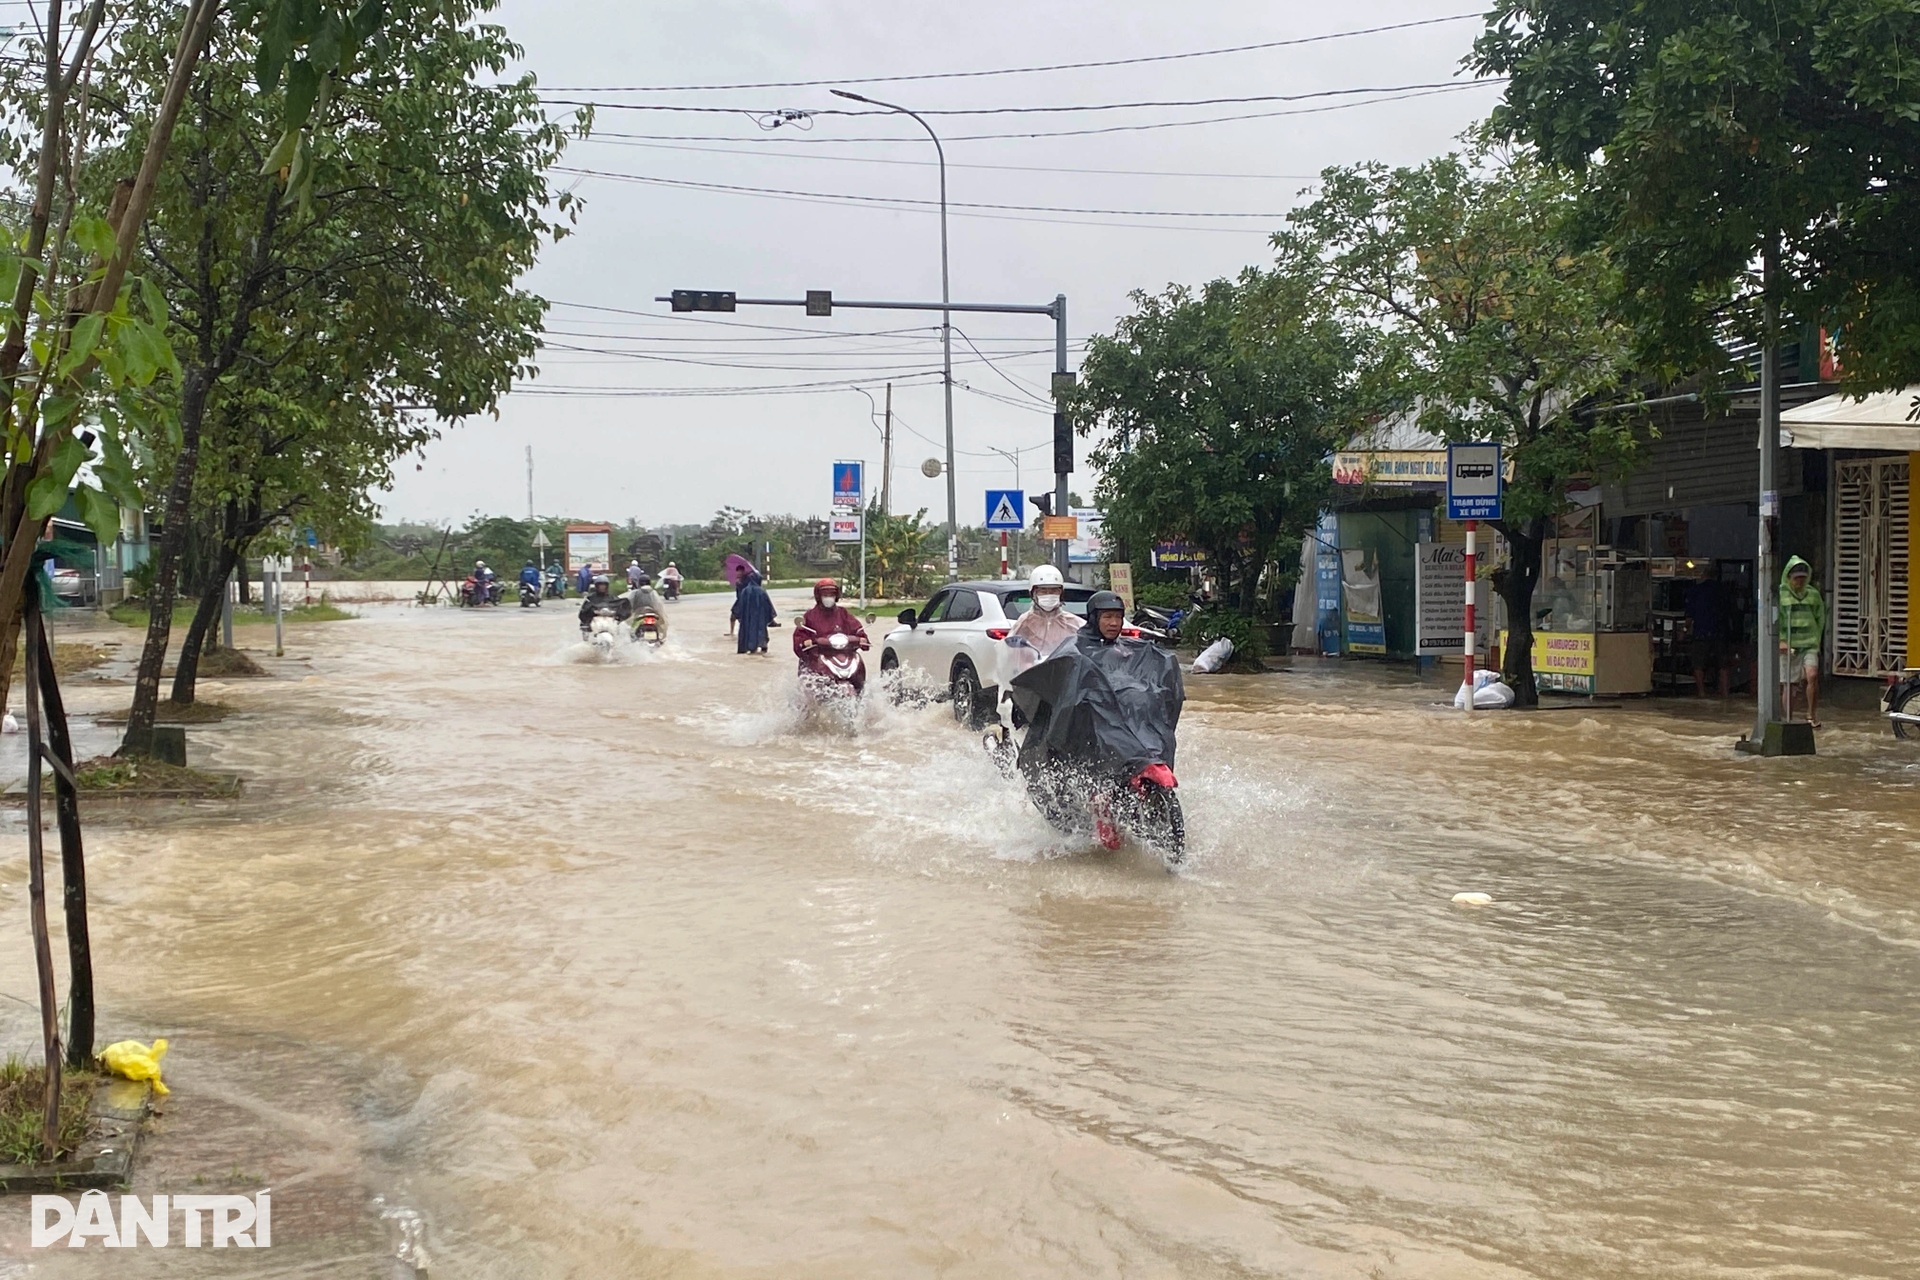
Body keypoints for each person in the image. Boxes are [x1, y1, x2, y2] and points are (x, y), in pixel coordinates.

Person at [793, 577, 870, 691]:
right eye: (825, 594)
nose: (828, 597)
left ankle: (860, 694)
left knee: (859, 674)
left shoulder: (843, 613)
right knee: (810, 683)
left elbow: (857, 629)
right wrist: (806, 643)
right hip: (817, 657)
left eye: (831, 594)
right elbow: (799, 638)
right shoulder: (810, 616)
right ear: (819, 596)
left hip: (844, 654)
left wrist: (862, 639)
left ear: (836, 596)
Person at [1778, 555, 1827, 727]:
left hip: (1810, 643)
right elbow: (1774, 619)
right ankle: (1788, 720)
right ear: (1789, 577)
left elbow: (1820, 618)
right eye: (1796, 578)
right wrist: (1781, 641)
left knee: (1812, 676)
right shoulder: (1780, 594)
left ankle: (1811, 715)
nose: (1799, 581)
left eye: (1802, 578)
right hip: (1789, 644)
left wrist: (1816, 641)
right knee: (1789, 686)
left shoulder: (1813, 594)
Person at [1004, 564, 1082, 672]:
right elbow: (1011, 656)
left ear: (1061, 593)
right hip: (1033, 681)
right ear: (1033, 593)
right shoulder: (1024, 623)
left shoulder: (1074, 623)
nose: (1049, 595)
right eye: (1043, 591)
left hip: (1066, 680)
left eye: (1054, 591)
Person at [1685, 576, 1729, 698]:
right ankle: (1725, 694)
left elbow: (1689, 618)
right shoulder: (1722, 591)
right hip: (1720, 633)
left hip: (1701, 634)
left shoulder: (1695, 591)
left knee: (1698, 664)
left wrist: (1683, 631)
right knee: (1722, 665)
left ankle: (1701, 693)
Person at [732, 571, 776, 654]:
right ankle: (763, 647)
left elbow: (738, 606)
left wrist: (739, 617)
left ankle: (750, 648)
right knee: (761, 633)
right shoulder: (762, 591)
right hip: (760, 618)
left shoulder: (745, 591)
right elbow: (768, 606)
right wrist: (770, 618)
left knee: (748, 633)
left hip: (747, 619)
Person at [577, 573, 629, 637]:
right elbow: (583, 612)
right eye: (600, 585)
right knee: (584, 626)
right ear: (596, 586)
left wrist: (620, 614)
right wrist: (589, 612)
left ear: (607, 586)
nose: (602, 587)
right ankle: (587, 639)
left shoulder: (612, 597)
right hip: (595, 619)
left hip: (610, 619)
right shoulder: (591, 598)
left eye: (604, 585)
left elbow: (620, 605)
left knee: (624, 627)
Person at [625, 572, 669, 639]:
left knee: (628, 628)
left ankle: (632, 637)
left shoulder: (635, 593)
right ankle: (661, 638)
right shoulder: (654, 592)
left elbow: (628, 603)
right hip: (654, 615)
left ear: (639, 583)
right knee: (662, 627)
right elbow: (659, 606)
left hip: (639, 615)